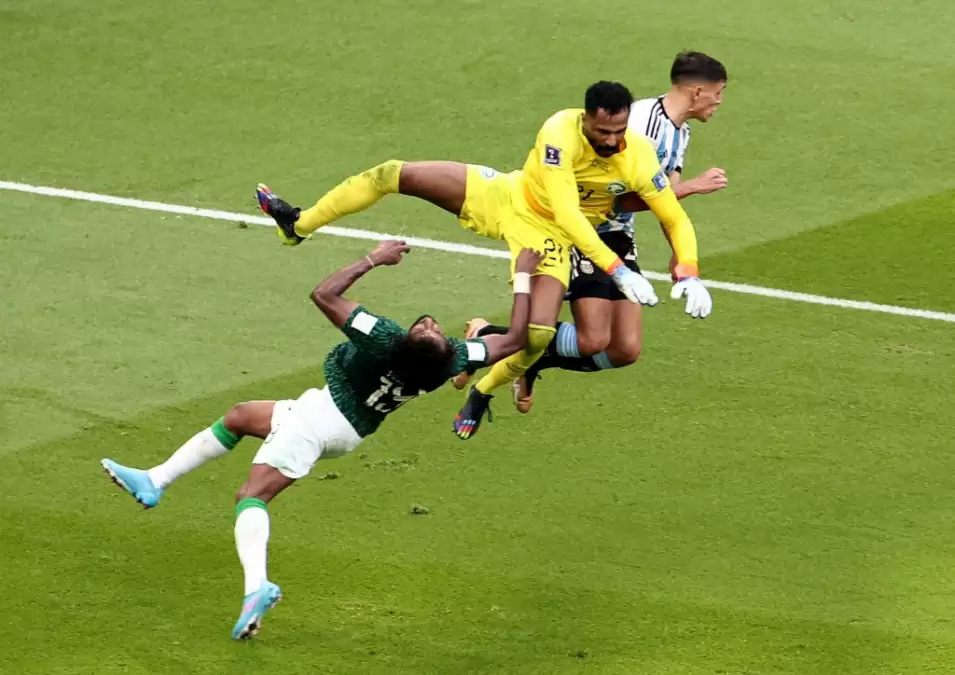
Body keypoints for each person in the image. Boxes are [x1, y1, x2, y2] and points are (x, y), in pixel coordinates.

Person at [100, 241, 541, 640]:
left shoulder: (383, 340)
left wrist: (372, 259)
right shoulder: (454, 358)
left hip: (318, 421)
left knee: (251, 496)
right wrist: (523, 277)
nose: (429, 323)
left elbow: (324, 294)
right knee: (239, 416)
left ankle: (256, 588)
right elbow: (516, 339)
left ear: (408, 341)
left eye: (426, 329)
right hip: (342, 425)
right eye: (432, 327)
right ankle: (155, 480)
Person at [255, 81, 711, 439]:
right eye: (602, 131)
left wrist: (688, 272)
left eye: (618, 131)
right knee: (392, 173)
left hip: (548, 237)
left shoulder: (638, 156)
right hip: (507, 196)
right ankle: (298, 224)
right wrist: (616, 270)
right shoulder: (560, 131)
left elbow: (672, 215)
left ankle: (484, 388)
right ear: (585, 119)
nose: (611, 140)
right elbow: (566, 208)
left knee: (536, 335)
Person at [453, 53, 728, 413]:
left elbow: (663, 202)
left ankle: (531, 357)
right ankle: (490, 339)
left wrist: (683, 263)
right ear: (697, 91)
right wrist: (692, 187)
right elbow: (617, 196)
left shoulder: (680, 133)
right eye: (718, 93)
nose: (719, 102)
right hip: (585, 228)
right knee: (592, 339)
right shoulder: (638, 123)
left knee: (625, 349)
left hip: (619, 233)